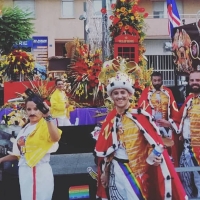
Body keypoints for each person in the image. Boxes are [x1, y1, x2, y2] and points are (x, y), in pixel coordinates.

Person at [95, 58, 186, 200]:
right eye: (116, 93)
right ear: (111, 96)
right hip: (116, 170)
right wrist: (105, 172)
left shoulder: (140, 116)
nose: (120, 96)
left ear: (130, 95)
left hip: (136, 173)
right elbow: (108, 150)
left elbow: (152, 143)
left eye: (123, 92)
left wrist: (153, 156)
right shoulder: (109, 120)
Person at [0, 96, 62, 200]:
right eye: (29, 109)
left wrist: (48, 117)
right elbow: (19, 154)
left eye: (36, 109)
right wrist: (1, 159)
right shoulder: (25, 129)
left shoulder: (45, 125)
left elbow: (55, 138)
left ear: (42, 109)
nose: (32, 112)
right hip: (25, 172)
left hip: (38, 172)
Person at [138, 71, 180, 166]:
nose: (157, 82)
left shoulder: (168, 92)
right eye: (155, 80)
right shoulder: (146, 92)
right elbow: (142, 110)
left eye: (159, 80)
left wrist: (170, 123)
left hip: (167, 126)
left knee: (169, 152)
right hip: (152, 127)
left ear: (162, 80)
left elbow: (174, 108)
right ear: (151, 81)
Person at [178, 70, 200, 198]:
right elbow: (179, 119)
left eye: (197, 80)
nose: (194, 82)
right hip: (186, 149)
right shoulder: (189, 99)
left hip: (198, 150)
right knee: (186, 183)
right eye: (192, 80)